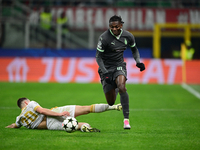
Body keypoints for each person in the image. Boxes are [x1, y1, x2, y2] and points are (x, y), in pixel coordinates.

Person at [95, 15, 145, 129]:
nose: (114, 29)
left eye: (116, 27)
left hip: (119, 65)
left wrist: (138, 62)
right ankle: (115, 86)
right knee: (111, 102)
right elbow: (98, 57)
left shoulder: (128, 36)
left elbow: (134, 50)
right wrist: (105, 72)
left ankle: (126, 120)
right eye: (111, 27)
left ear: (121, 26)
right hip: (106, 68)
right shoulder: (104, 38)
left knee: (122, 87)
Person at [6, 97, 122, 132]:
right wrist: (60, 113)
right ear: (26, 102)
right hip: (54, 113)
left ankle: (86, 127)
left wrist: (10, 126)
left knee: (74, 126)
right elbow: (42, 111)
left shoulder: (20, 119)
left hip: (49, 126)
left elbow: (15, 125)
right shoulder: (31, 104)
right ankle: (114, 106)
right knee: (85, 109)